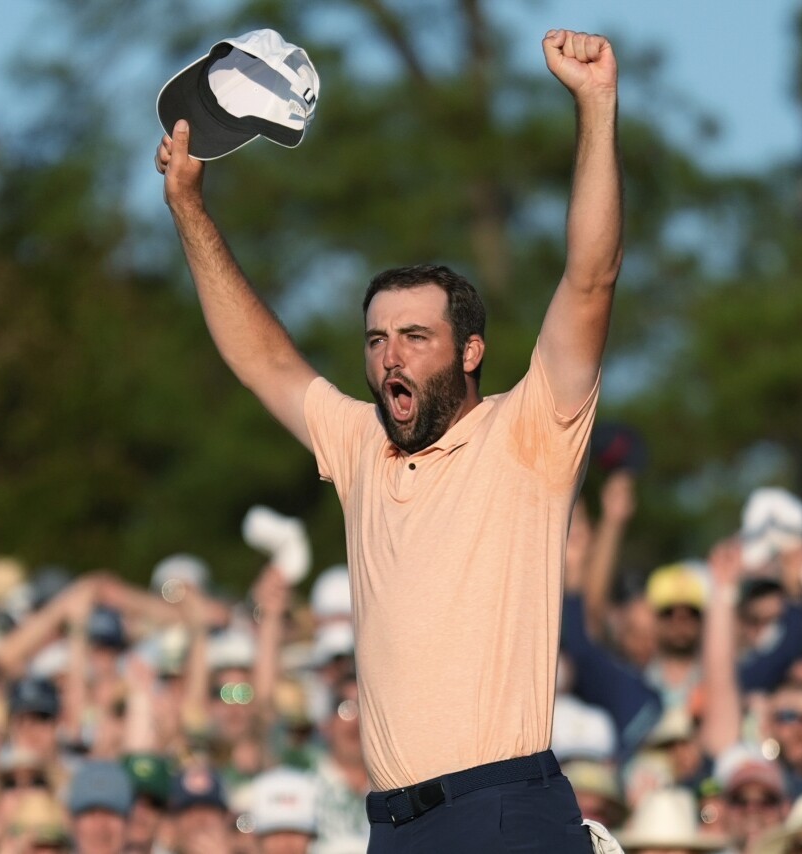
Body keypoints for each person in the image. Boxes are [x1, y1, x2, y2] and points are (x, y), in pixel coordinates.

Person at [154, 25, 623, 854]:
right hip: (394, 826)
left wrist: (595, 106)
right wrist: (190, 210)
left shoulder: (529, 432)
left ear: (471, 351)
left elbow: (589, 277)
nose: (389, 356)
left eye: (414, 336)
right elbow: (264, 361)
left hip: (505, 807)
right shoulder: (363, 447)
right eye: (375, 340)